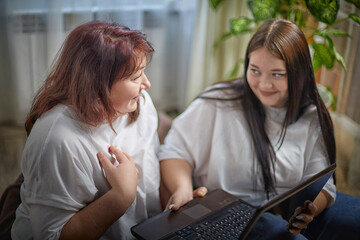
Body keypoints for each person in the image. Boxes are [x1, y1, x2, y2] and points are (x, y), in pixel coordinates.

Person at [159, 18, 337, 239]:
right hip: (215, 218)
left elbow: (322, 183)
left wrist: (310, 210)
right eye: (255, 70)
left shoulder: (311, 117)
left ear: (298, 72)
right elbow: (174, 150)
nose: (263, 84)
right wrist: (182, 189)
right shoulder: (217, 102)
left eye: (277, 74)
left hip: (275, 222)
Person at [11, 21, 162, 240]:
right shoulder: (58, 139)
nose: (146, 84)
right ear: (98, 85)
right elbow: (51, 236)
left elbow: (152, 173)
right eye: (136, 77)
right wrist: (121, 197)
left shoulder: (141, 104)